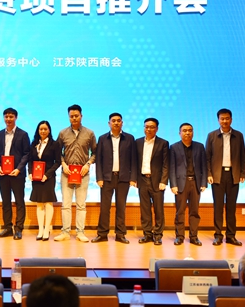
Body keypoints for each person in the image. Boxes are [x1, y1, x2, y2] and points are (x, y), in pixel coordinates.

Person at [92, 113, 137, 244]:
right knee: (104, 207)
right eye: (113, 121)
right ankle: (102, 234)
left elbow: (134, 159)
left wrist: (133, 177)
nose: (116, 123)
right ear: (109, 123)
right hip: (107, 178)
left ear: (122, 123)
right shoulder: (102, 138)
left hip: (123, 178)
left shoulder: (129, 138)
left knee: (121, 207)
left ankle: (120, 234)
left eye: (118, 120)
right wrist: (99, 177)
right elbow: (99, 160)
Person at [54, 104, 97, 242]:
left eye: (76, 116)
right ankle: (65, 232)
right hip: (66, 173)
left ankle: (80, 232)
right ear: (68, 117)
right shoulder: (62, 133)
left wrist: (88, 164)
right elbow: (57, 152)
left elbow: (95, 153)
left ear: (81, 116)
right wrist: (63, 164)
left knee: (81, 205)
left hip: (83, 173)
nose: (74, 118)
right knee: (66, 204)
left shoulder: (89, 133)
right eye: (71, 116)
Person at [205, 108, 245, 246]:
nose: (225, 121)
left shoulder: (238, 136)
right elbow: (207, 157)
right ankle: (218, 235)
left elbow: (242, 156)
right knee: (218, 207)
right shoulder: (212, 136)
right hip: (217, 175)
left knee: (231, 208)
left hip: (233, 175)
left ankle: (230, 236)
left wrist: (243, 173)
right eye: (222, 119)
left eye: (227, 118)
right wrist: (209, 174)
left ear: (231, 119)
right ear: (218, 120)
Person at [0, 107, 30, 240]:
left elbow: (27, 154)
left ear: (16, 118)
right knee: (6, 202)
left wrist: (18, 168)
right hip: (3, 174)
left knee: (19, 201)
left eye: (11, 117)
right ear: (4, 118)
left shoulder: (23, 134)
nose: (8, 119)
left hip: (17, 174)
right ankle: (7, 228)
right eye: (6, 116)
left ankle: (18, 229)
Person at [169, 123, 207, 246]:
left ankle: (194, 237)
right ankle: (179, 236)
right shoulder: (174, 147)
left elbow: (204, 166)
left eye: (190, 130)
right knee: (180, 211)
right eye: (184, 130)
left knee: (194, 212)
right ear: (179, 133)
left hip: (195, 183)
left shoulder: (200, 147)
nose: (187, 133)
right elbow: (172, 167)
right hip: (180, 183)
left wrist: (204, 183)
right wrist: (173, 184)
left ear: (193, 132)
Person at [135, 118, 169, 245]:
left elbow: (166, 164)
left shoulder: (163, 143)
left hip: (157, 181)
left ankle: (158, 235)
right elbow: (134, 162)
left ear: (157, 129)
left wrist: (164, 181)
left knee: (158, 210)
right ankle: (147, 234)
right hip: (142, 180)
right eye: (146, 127)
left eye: (152, 127)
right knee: (145, 210)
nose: (148, 129)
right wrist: (134, 178)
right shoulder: (138, 142)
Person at [29, 120, 61, 241]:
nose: (43, 131)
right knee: (39, 203)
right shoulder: (34, 144)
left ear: (49, 130)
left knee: (48, 203)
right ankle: (40, 230)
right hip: (36, 178)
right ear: (38, 130)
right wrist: (30, 173)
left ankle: (47, 229)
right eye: (41, 129)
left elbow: (57, 162)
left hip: (48, 178)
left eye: (45, 129)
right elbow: (30, 161)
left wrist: (47, 175)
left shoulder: (55, 144)